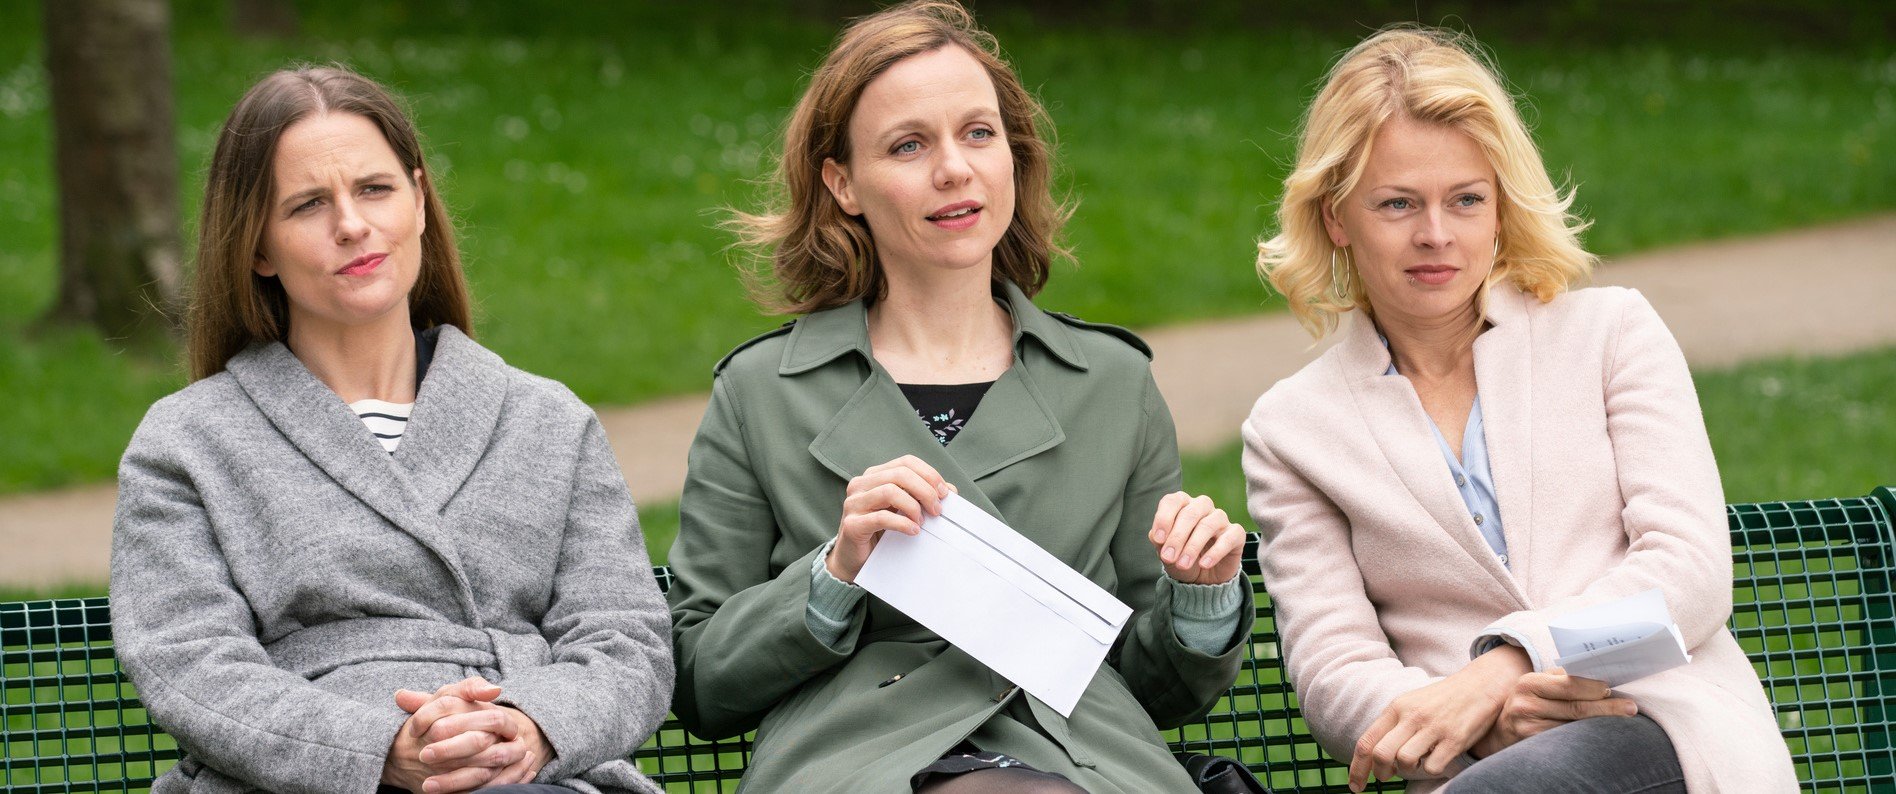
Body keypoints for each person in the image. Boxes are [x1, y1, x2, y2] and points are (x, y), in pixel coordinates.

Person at [666, 3, 1253, 792]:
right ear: (841, 183)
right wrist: (836, 573)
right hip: (855, 759)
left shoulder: (1113, 383)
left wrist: (1203, 598)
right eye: (909, 145)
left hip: (1081, 763)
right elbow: (701, 683)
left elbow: (1152, 691)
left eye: (977, 134)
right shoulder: (760, 392)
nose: (954, 169)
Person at [1242, 26, 1798, 793]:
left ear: (1500, 207)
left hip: (1659, 726)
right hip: (1480, 769)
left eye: (1466, 200)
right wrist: (1479, 721)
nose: (1436, 235)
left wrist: (1508, 665)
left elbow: (1691, 571)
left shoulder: (1611, 333)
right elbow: (1335, 672)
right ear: (1337, 217)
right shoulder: (1292, 430)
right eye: (1398, 203)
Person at [108, 65, 672, 794]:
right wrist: (377, 748)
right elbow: (189, 661)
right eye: (309, 205)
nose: (352, 224)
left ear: (418, 202)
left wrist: (529, 727)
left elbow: (627, 640)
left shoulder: (548, 421)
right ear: (258, 248)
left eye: (375, 189)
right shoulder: (188, 442)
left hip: (530, 774)